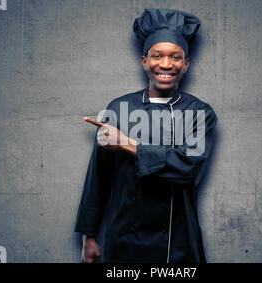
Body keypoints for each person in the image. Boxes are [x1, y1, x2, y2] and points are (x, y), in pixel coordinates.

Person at [75, 8, 217, 263]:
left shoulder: (199, 112)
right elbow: (98, 177)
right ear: (144, 61)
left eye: (175, 57)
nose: (165, 64)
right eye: (157, 56)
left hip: (177, 243)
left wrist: (127, 144)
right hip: (123, 239)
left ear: (186, 64)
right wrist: (89, 235)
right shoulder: (119, 108)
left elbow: (188, 167)